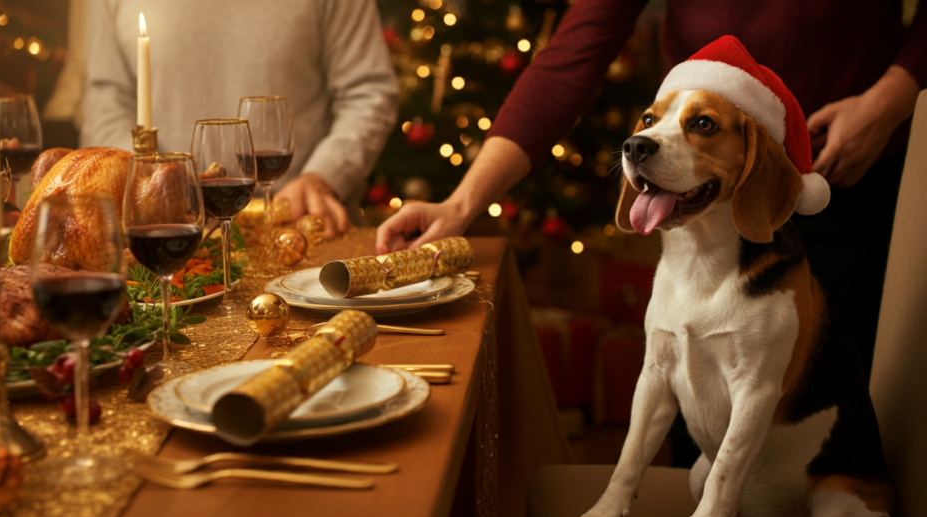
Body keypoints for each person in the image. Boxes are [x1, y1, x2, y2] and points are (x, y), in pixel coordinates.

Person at [377, 0, 926, 376]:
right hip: (707, 211)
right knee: (700, 419)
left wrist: (894, 96)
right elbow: (570, 59)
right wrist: (461, 203)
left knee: (840, 412)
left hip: (845, 179)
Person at [82, 0, 398, 238]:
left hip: (295, 232)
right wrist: (146, 192)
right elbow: (104, 100)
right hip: (168, 236)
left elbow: (369, 92)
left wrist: (324, 176)